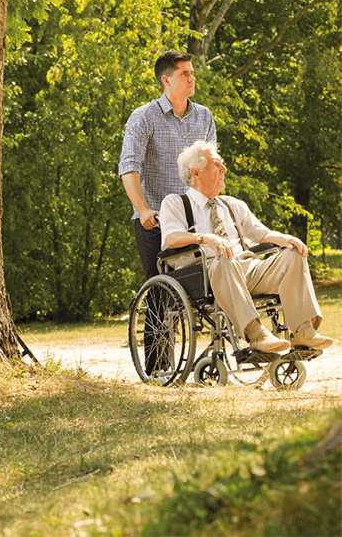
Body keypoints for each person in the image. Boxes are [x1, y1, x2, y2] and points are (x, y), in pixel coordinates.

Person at [159, 140, 333, 353]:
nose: (224, 169)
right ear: (196, 173)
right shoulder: (175, 203)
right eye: (216, 165)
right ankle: (256, 334)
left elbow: (263, 234)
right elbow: (171, 238)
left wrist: (285, 238)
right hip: (206, 276)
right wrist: (205, 238)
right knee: (223, 257)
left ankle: (303, 330)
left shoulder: (233, 205)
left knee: (293, 255)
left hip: (247, 270)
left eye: (221, 163)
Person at [118, 50, 216, 280]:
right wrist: (142, 210)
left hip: (195, 220)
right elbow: (128, 166)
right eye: (185, 74)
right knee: (160, 297)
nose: (192, 78)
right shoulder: (144, 117)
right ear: (166, 79)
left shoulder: (204, 117)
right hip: (155, 221)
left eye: (192, 73)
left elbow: (212, 168)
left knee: (207, 290)